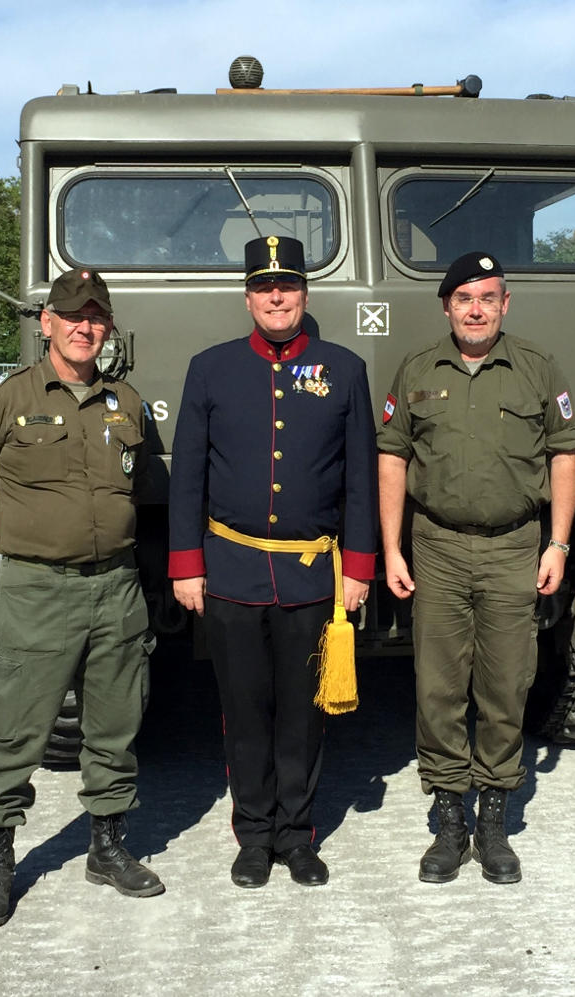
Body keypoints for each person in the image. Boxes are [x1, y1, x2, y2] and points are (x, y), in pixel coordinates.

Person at [0, 268, 162, 927]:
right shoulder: (7, 400)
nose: (84, 326)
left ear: (108, 327)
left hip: (116, 590)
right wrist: (22, 540)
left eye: (96, 317)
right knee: (16, 728)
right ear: (46, 322)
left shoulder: (127, 403)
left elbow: (144, 491)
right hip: (36, 591)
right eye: (72, 315)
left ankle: (108, 845)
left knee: (114, 726)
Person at [168, 235, 377, 889]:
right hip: (231, 573)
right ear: (249, 296)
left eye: (287, 285)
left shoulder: (343, 371)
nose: (276, 296)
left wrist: (360, 567)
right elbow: (189, 477)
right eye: (264, 286)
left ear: (305, 293)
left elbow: (361, 480)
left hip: (313, 574)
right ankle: (254, 836)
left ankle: (297, 835)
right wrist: (184, 564)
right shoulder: (211, 369)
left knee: (303, 711)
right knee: (246, 708)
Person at [377, 251, 575, 885]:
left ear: (505, 304)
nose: (475, 309)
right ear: (446, 306)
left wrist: (558, 545)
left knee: (506, 683)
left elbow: (564, 459)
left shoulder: (537, 369)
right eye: (464, 298)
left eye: (488, 298)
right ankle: (448, 820)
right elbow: (392, 460)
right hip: (435, 546)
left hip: (514, 546)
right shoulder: (417, 369)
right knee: (438, 687)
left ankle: (493, 819)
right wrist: (391, 548)